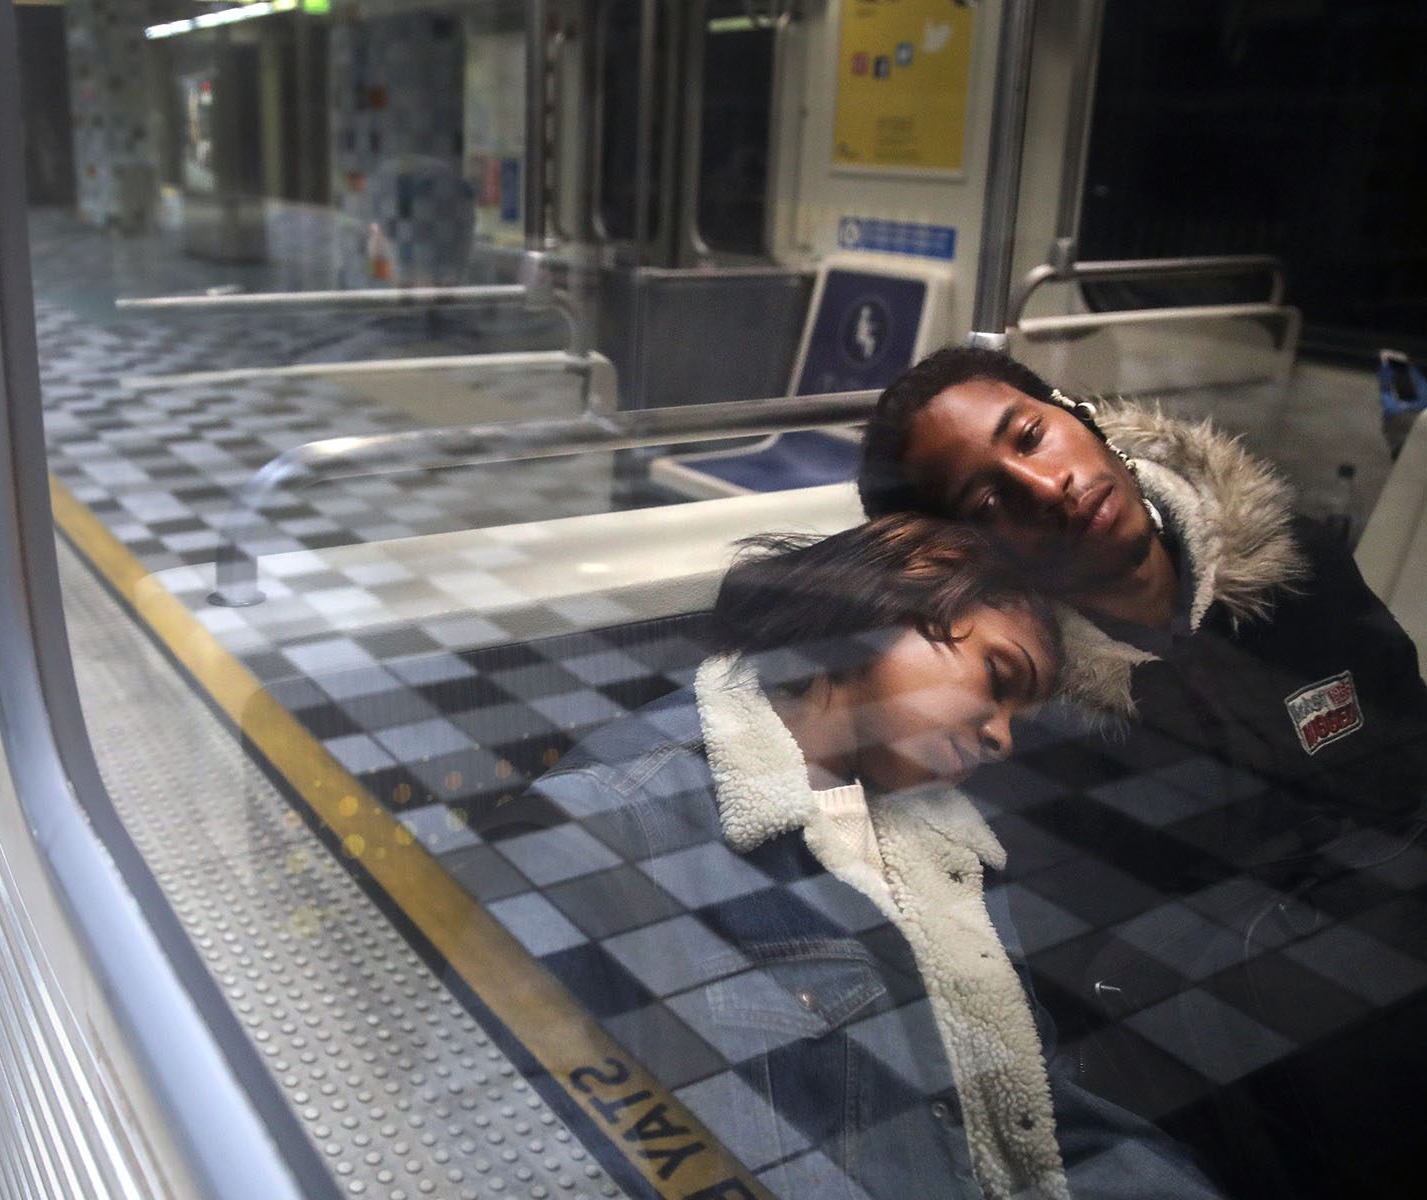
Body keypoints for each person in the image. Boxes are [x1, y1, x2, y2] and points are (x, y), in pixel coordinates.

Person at [856, 346, 1427, 1198]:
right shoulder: (1025, 729)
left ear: (1078, 418)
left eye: (1032, 435)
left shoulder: (1298, 567)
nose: (1046, 486)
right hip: (1273, 1085)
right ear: (970, 552)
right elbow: (1122, 1000)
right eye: (988, 498)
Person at [529, 514, 1224, 1200]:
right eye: (998, 677)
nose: (1003, 739)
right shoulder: (614, 821)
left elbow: (1034, 1112)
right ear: (896, 600)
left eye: (1020, 719)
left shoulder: (942, 847)